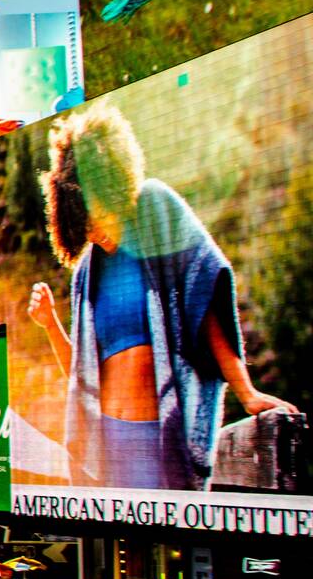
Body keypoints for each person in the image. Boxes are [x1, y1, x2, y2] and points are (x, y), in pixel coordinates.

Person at [27, 102, 299, 490]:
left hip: (159, 436)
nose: (95, 233)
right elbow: (82, 376)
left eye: (96, 216)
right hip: (107, 444)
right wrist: (50, 324)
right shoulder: (87, 272)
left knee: (169, 547)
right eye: (82, 228)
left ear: (112, 185)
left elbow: (204, 299)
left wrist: (247, 392)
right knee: (120, 550)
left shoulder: (156, 211)